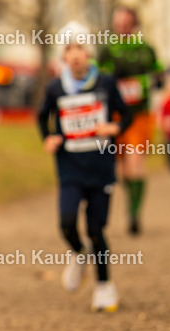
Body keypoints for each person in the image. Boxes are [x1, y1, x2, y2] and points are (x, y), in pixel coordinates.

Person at [39, 22, 132, 312]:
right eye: (69, 48)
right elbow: (42, 117)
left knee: (96, 228)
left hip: (101, 167)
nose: (75, 54)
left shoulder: (105, 83)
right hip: (70, 167)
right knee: (66, 222)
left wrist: (114, 126)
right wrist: (49, 137)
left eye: (80, 47)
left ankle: (104, 286)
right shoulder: (56, 88)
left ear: (89, 52)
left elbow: (126, 114)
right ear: (63, 57)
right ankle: (79, 254)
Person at [96, 6, 162, 236]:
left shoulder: (146, 49)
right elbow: (99, 79)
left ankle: (134, 213)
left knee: (135, 162)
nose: (121, 26)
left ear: (134, 24)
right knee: (118, 168)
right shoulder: (106, 50)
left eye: (126, 22)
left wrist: (143, 83)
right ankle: (112, 212)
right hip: (114, 116)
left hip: (139, 115)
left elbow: (159, 76)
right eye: (118, 22)